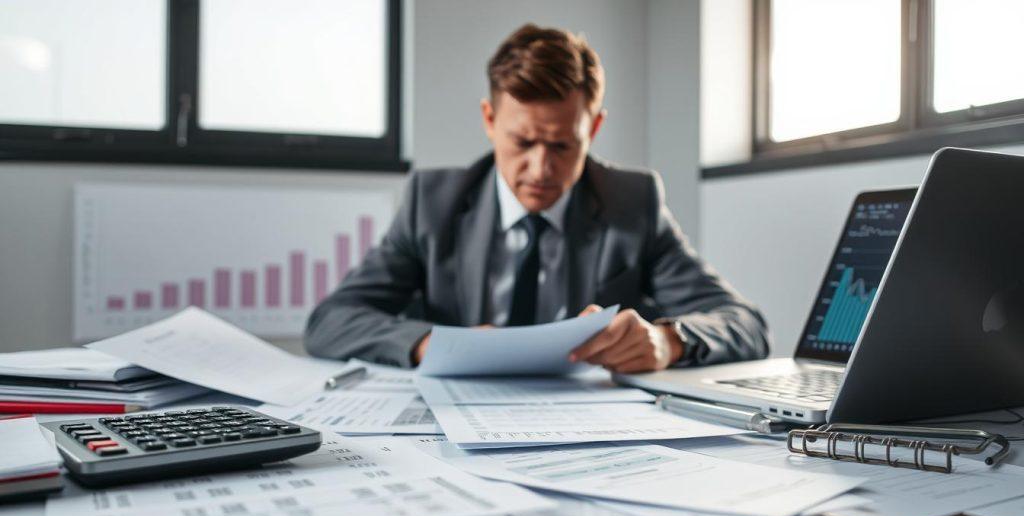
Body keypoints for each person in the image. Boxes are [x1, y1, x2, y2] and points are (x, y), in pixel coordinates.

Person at [305, 23, 769, 373]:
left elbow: (745, 323)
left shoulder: (634, 201)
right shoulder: (433, 202)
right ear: (489, 119)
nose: (541, 168)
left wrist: (670, 341)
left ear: (595, 128)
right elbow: (331, 321)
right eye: (523, 142)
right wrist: (432, 342)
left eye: (563, 146)